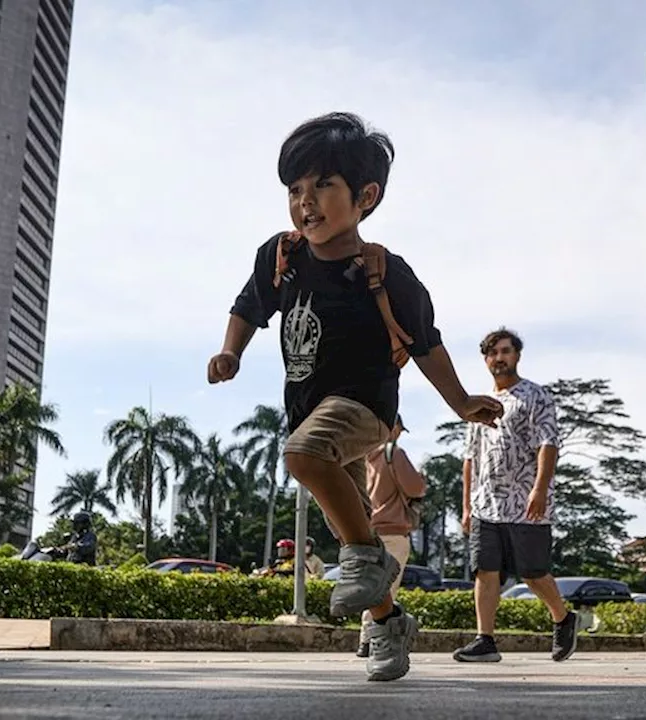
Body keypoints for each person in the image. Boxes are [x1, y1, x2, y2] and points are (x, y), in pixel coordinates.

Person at [207, 111, 503, 681]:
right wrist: (232, 352)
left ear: (365, 196)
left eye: (322, 185)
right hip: (311, 409)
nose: (305, 201)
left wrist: (462, 400)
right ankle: (389, 623)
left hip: (367, 407)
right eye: (295, 189)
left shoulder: (385, 273)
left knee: (302, 456)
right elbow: (248, 306)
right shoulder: (282, 258)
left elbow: (426, 345)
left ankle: (365, 565)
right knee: (333, 499)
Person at [454, 328, 577, 664]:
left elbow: (548, 443)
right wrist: (467, 506)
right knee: (485, 569)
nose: (499, 358)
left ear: (517, 355)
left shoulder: (535, 396)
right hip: (486, 504)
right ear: (485, 360)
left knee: (533, 573)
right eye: (493, 353)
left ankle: (563, 618)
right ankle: (485, 640)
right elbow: (470, 458)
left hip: (526, 503)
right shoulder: (477, 406)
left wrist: (540, 488)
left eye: (505, 351)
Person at [356, 414, 426, 658]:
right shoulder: (393, 453)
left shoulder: (360, 456)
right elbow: (415, 488)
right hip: (393, 531)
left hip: (365, 530)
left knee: (372, 585)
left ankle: (366, 638)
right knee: (386, 588)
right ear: (392, 427)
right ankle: (372, 638)